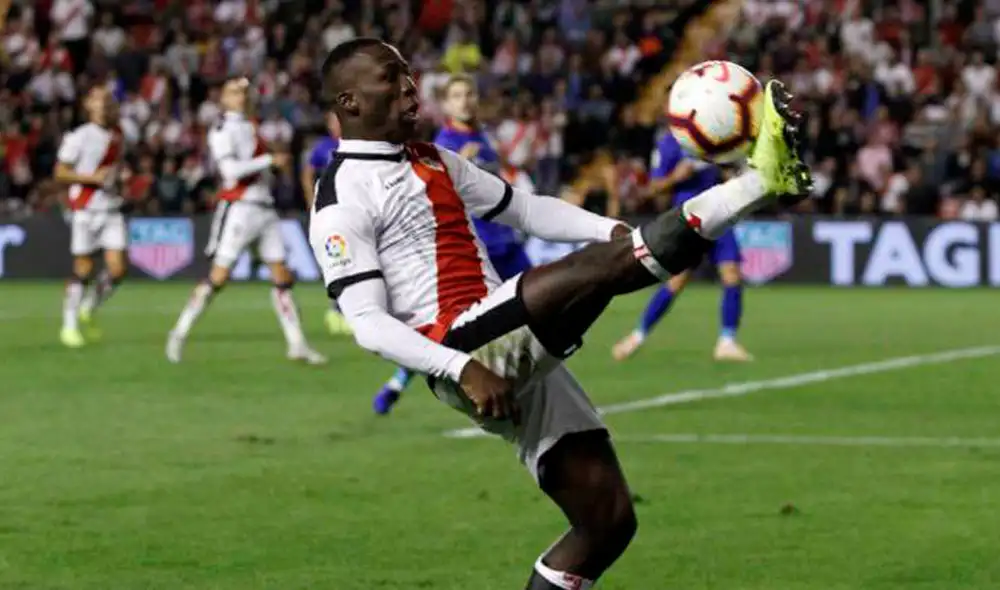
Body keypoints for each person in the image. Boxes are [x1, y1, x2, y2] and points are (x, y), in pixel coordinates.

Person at [310, 39, 809, 589]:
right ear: (351, 103)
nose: (410, 86)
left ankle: (746, 188)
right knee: (599, 271)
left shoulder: (431, 158)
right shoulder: (341, 196)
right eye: (392, 77)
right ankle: (760, 181)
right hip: (462, 347)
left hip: (497, 330)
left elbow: (523, 209)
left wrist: (609, 231)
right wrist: (462, 369)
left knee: (607, 521)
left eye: (408, 72)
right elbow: (367, 322)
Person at [371, 74, 533, 415]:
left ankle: (524, 381)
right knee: (455, 327)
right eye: (457, 95)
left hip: (505, 242)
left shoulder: (481, 138)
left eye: (469, 93)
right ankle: (402, 381)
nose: (465, 100)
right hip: (474, 252)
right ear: (445, 104)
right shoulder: (445, 144)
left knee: (542, 305)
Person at [166, 77, 326, 365]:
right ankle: (178, 333)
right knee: (218, 277)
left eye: (243, 91)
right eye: (233, 92)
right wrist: (269, 162)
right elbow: (230, 171)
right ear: (224, 100)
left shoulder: (252, 126)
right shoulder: (222, 129)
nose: (241, 95)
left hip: (265, 209)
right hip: (239, 208)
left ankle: (297, 344)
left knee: (282, 277)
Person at [612, 131, 753, 362]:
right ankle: (637, 336)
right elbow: (653, 188)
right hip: (688, 218)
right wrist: (676, 177)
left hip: (718, 210)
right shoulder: (669, 143)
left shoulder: (710, 133)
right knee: (676, 282)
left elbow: (725, 169)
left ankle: (727, 342)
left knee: (732, 275)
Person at [54, 86, 132, 348]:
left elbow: (116, 168)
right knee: (83, 269)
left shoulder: (119, 136)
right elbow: (61, 172)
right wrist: (91, 178)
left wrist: (121, 180)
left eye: (107, 99)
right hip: (86, 209)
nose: (104, 104)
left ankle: (90, 306)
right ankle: (69, 325)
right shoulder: (79, 136)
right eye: (98, 99)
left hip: (110, 209)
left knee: (118, 270)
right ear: (88, 105)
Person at [300, 112, 353, 336]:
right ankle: (336, 311)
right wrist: (312, 201)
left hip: (355, 213)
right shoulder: (323, 147)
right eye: (333, 120)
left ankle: (350, 311)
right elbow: (308, 174)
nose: (337, 124)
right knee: (339, 262)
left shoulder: (357, 145)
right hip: (332, 214)